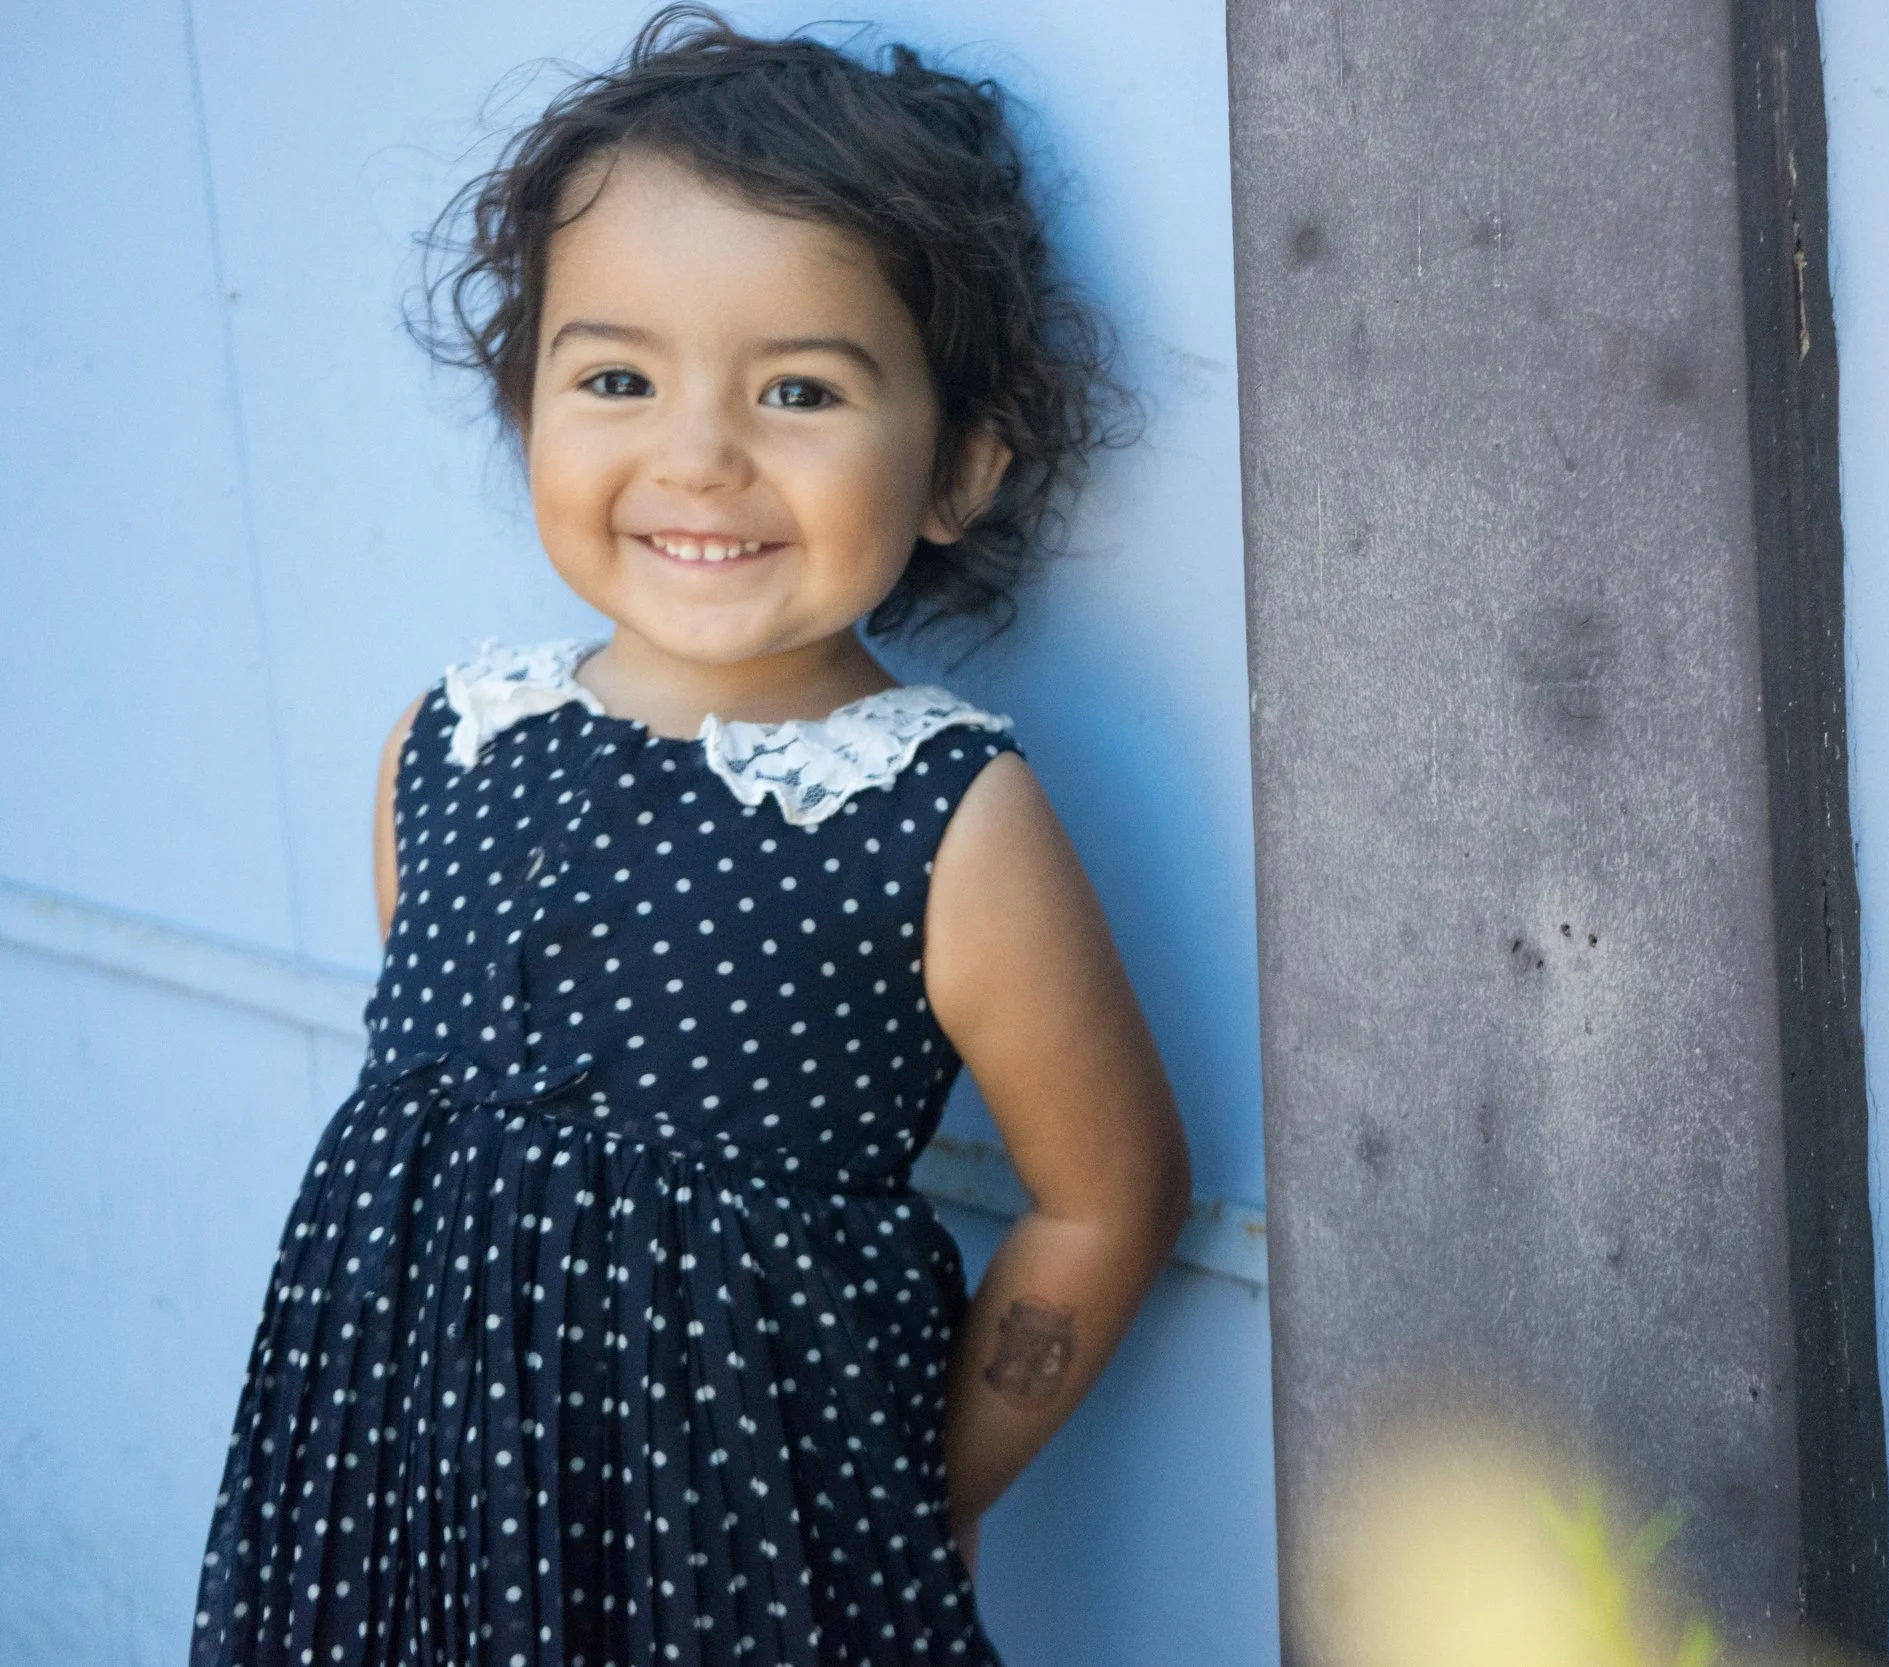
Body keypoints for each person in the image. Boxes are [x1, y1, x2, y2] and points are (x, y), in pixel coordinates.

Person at [190, 10, 1190, 1663]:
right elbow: (443, 1138)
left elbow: (1109, 1195)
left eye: (799, 386)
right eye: (617, 377)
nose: (698, 454)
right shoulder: (447, 742)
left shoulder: (936, 814)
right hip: (400, 1528)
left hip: (729, 1566)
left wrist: (904, 1504)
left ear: (959, 464)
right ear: (528, 403)